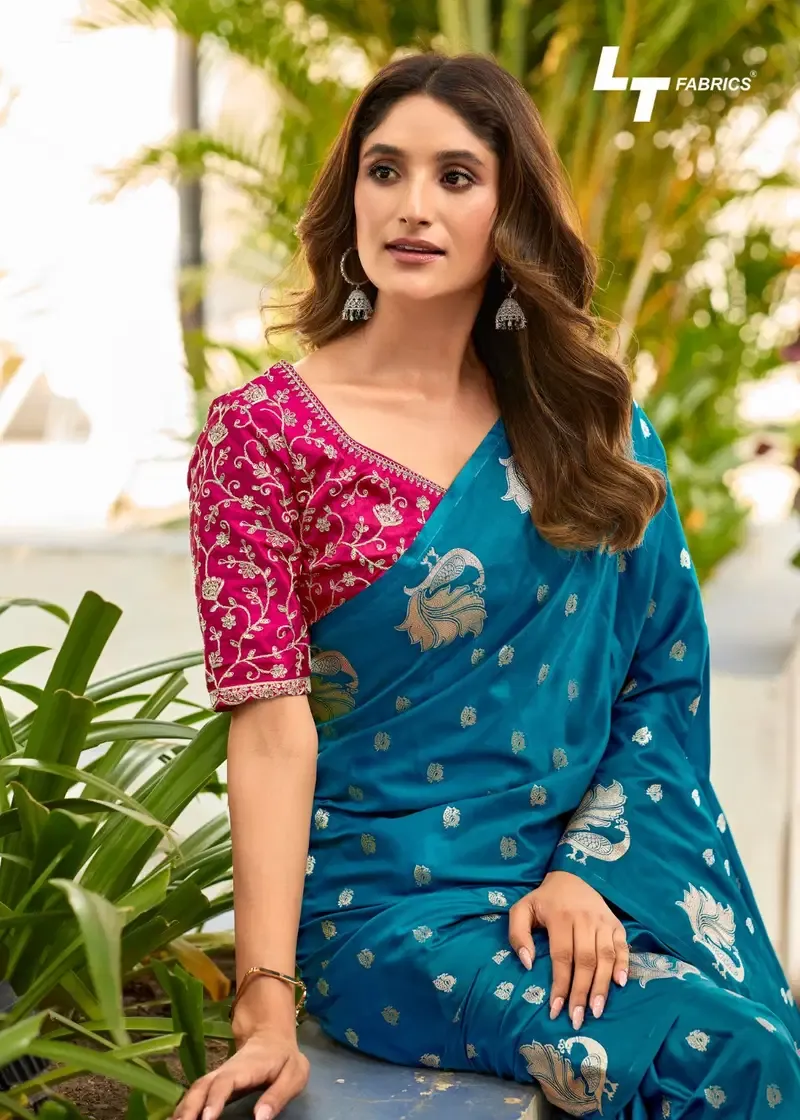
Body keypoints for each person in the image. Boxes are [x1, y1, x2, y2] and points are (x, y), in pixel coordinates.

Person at [177, 51, 800, 1120]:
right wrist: (265, 1010)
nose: (412, 206)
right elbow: (271, 731)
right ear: (350, 198)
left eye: (455, 176)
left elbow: (660, 680)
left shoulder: (590, 430)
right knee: (720, 1055)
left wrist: (587, 871)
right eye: (384, 170)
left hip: (585, 882)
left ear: (509, 212)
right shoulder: (263, 438)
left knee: (743, 1034)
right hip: (391, 918)